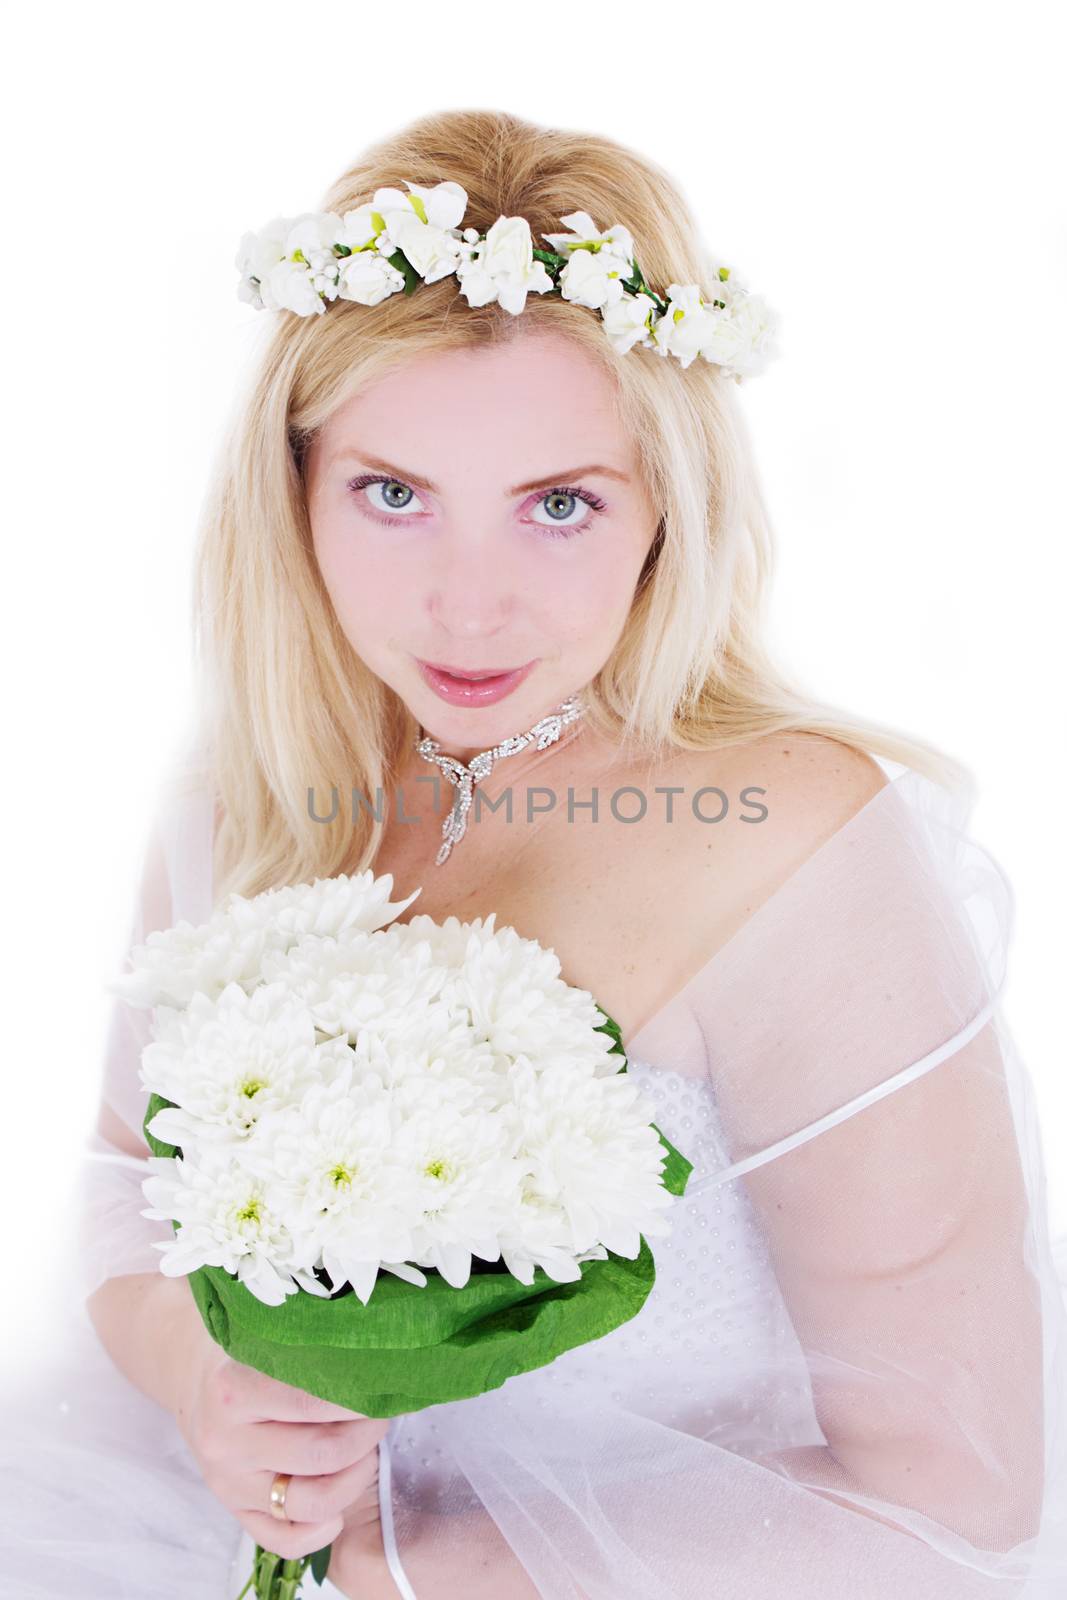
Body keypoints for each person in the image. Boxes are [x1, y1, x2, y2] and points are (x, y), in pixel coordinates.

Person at [3, 106, 1066, 1599]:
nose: (468, 607)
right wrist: (207, 1382)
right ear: (294, 487)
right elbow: (125, 1182)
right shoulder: (248, 789)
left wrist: (431, 1572)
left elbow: (961, 1496)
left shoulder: (793, 850)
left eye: (559, 505)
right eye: (393, 495)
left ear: (667, 512)